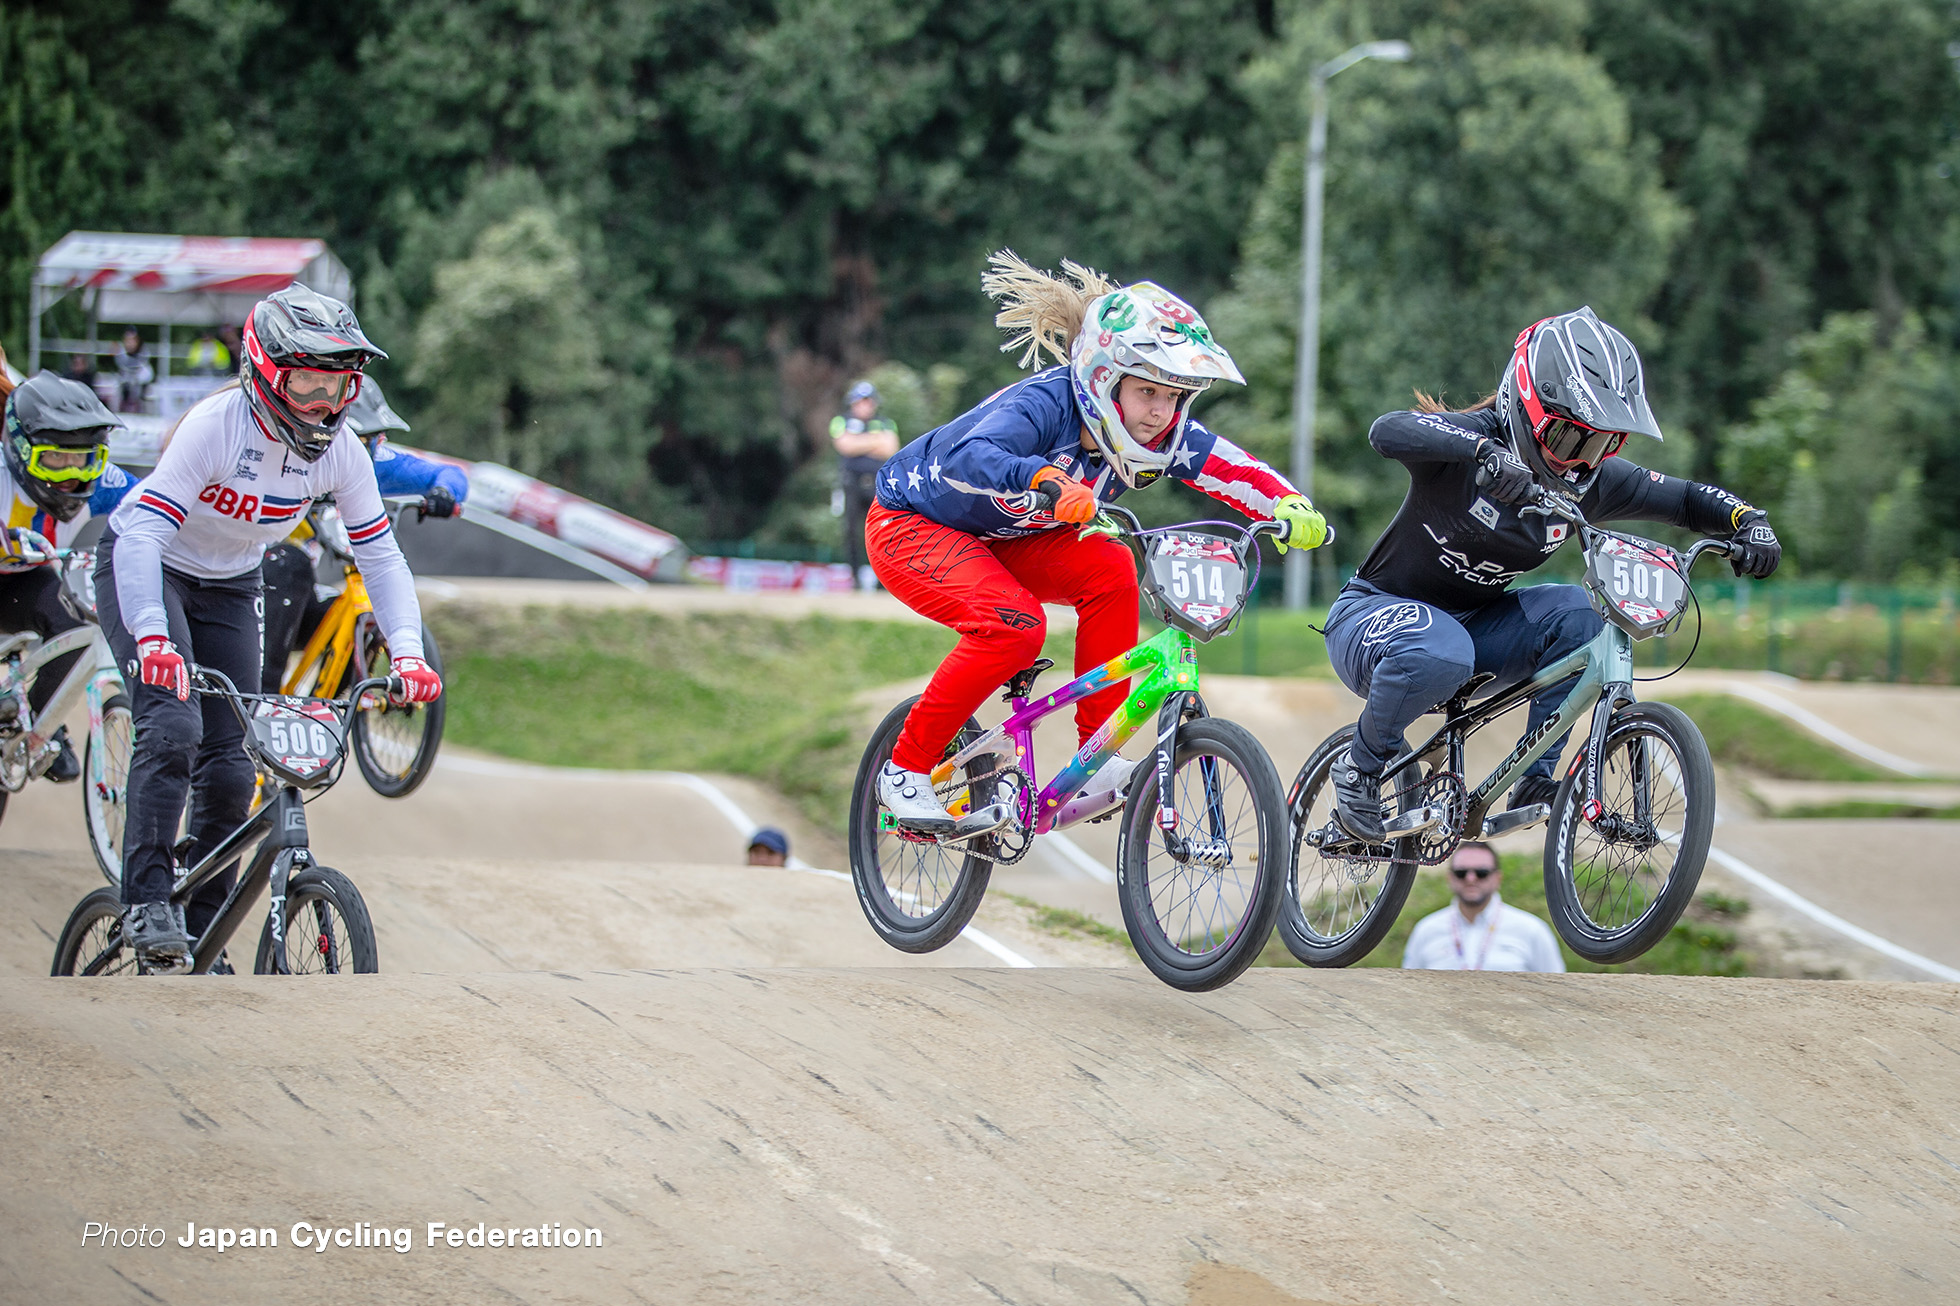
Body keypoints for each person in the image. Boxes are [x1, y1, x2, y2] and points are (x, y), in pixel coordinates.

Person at [868, 252, 1328, 832]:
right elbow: (968, 458)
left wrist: (1288, 503)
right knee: (1015, 624)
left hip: (1004, 536)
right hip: (913, 525)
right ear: (1104, 379)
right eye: (1148, 393)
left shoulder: (1157, 429)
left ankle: (1098, 759)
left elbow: (1230, 466)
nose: (1162, 413)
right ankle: (904, 770)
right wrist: (1046, 480)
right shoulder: (1044, 406)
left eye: (1177, 397)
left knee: (1112, 566)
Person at [1326, 307, 1782, 842]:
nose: (1578, 464)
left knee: (1583, 618)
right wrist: (1482, 452)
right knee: (1442, 647)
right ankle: (1358, 766)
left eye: (1601, 445)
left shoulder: (1589, 480)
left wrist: (1749, 521)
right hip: (1373, 617)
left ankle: (1535, 780)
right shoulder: (1477, 441)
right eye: (1569, 441)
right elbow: (1388, 430)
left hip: (1476, 630)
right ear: (1524, 406)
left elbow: (1684, 497)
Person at [98, 286, 442, 969]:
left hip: (231, 584)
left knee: (232, 767)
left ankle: (203, 930)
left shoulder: (340, 450)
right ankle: (145, 900)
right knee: (174, 728)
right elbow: (140, 533)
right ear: (263, 371)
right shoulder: (217, 426)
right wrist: (151, 636)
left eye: (340, 384)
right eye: (307, 381)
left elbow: (378, 553)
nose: (324, 404)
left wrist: (407, 653)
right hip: (149, 566)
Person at [260, 377, 468, 692]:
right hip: (254, 586)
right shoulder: (284, 455)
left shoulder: (369, 460)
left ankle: (328, 704)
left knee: (359, 612)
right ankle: (262, 697)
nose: (365, 450)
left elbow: (451, 473)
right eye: (358, 440)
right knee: (291, 564)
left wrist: (444, 492)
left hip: (301, 599)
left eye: (373, 440)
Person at [0, 373, 138, 780]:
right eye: (54, 459)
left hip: (28, 580)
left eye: (83, 458)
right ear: (21, 451)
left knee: (77, 622)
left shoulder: (104, 481)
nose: (70, 474)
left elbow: (158, 508)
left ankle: (41, 727)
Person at [1403, 842, 1564, 972]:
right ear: (1450, 878)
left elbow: (1556, 989)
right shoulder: (1425, 930)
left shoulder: (1532, 930)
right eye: (1461, 873)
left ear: (1497, 878)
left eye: (1481, 873)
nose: (1471, 879)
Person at [831, 381, 900, 590]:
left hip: (877, 484)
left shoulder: (886, 422)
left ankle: (883, 580)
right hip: (850, 483)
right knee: (851, 531)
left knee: (881, 531)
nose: (864, 406)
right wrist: (874, 441)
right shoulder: (840, 421)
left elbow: (890, 447)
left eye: (868, 402)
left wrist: (858, 443)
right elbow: (845, 446)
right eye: (860, 402)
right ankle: (855, 578)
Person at [113, 329, 153, 414]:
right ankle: (123, 409)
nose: (130, 344)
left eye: (132, 341)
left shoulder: (144, 353)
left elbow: (141, 366)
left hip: (139, 378)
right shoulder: (121, 353)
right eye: (127, 341)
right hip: (126, 378)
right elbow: (122, 366)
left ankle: (141, 409)